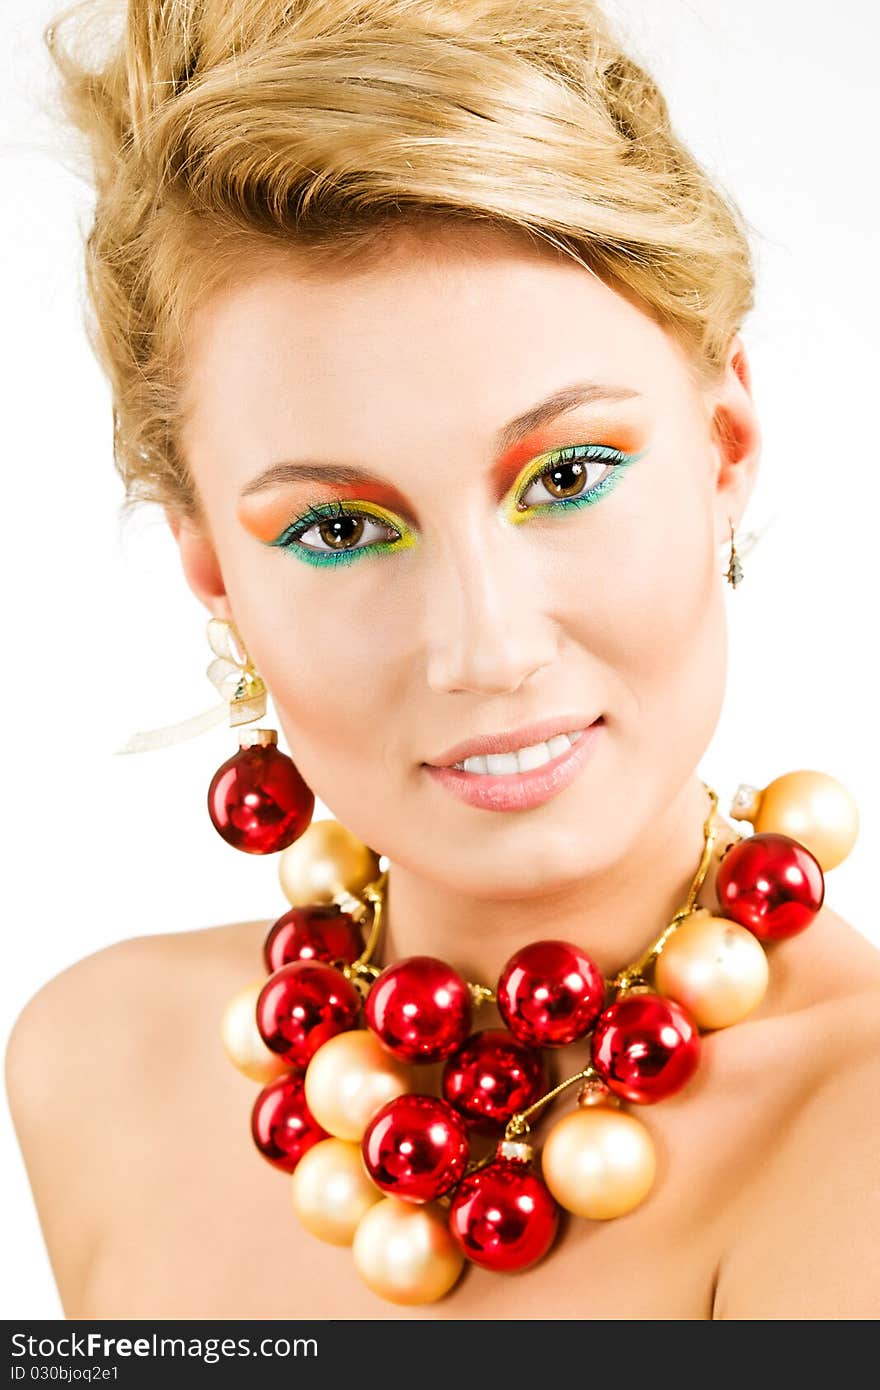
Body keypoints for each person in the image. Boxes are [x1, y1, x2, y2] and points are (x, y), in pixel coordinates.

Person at [4, 0, 878, 1321]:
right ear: (214, 576)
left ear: (726, 447)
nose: (488, 647)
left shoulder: (851, 1142)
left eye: (567, 475)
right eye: (341, 526)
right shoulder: (95, 1065)